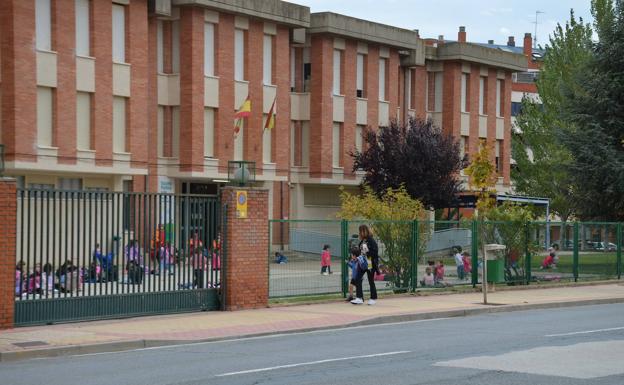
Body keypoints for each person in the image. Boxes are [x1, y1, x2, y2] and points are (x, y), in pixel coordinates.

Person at [358, 224, 378, 305]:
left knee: (371, 281)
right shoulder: (362, 240)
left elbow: (375, 252)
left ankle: (373, 298)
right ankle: (359, 297)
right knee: (357, 278)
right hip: (362, 263)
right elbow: (361, 250)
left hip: (370, 263)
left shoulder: (371, 240)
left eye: (361, 231)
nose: (360, 233)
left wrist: (367, 252)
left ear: (365, 231)